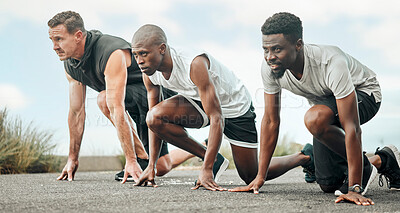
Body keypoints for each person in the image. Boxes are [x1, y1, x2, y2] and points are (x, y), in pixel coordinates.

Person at [229, 12, 400, 206]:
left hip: (365, 94)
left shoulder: (330, 62)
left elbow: (351, 126)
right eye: (265, 50)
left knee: (314, 119)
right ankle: (384, 160)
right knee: (328, 183)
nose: (270, 57)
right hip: (327, 107)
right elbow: (270, 121)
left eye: (277, 49)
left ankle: (364, 170)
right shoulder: (270, 67)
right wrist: (260, 177)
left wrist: (354, 188)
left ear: (298, 45)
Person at [130, 24, 318, 191]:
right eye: (135, 54)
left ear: (162, 49)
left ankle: (305, 156)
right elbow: (152, 124)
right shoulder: (149, 72)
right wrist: (151, 165)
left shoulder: (194, 63)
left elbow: (217, 117)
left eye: (144, 53)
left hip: (234, 105)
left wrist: (207, 170)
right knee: (154, 117)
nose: (139, 60)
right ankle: (211, 157)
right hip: (197, 102)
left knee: (251, 175)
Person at [47, 11, 195, 183]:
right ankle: (202, 148)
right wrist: (72, 158)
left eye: (59, 39)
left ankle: (140, 158)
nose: (54, 46)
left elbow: (115, 106)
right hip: (130, 103)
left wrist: (131, 161)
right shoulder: (70, 65)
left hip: (155, 94)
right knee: (162, 167)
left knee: (104, 99)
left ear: (78, 36)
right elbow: (76, 113)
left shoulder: (110, 52)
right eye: (52, 40)